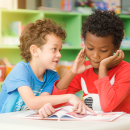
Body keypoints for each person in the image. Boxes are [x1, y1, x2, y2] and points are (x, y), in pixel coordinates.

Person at [0, 18, 95, 117]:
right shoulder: (20, 70)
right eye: (54, 49)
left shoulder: (52, 76)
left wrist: (44, 108)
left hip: (25, 122)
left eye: (59, 50)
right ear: (35, 51)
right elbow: (32, 102)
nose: (59, 55)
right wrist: (69, 97)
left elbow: (40, 102)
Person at [51, 10, 130, 114]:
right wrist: (72, 72)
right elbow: (55, 102)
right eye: (90, 48)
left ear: (117, 47)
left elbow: (107, 105)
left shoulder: (125, 70)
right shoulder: (85, 68)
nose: (95, 56)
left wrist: (102, 67)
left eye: (103, 50)